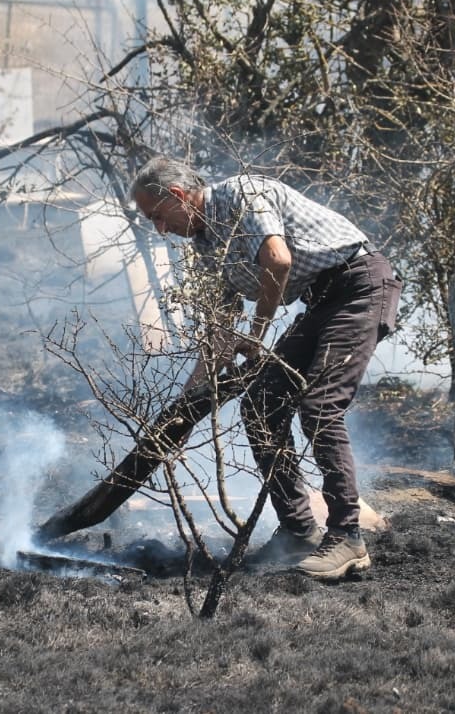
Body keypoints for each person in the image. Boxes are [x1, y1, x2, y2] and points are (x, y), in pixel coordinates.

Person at [131, 157, 401, 579]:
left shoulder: (241, 194)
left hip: (358, 286)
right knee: (260, 404)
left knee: (319, 406)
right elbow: (219, 334)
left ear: (180, 197)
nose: (160, 230)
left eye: (159, 217)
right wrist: (183, 415)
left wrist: (256, 335)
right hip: (321, 301)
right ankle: (298, 530)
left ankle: (348, 537)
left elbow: (278, 260)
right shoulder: (206, 249)